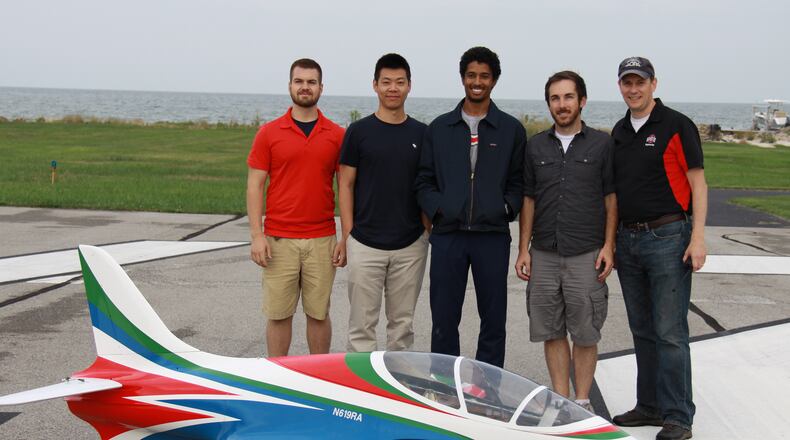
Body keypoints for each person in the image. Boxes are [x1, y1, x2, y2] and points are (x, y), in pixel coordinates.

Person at [610, 57, 707, 440]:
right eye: (627, 82)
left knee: (669, 331)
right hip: (628, 240)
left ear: (654, 83)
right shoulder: (619, 131)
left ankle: (678, 415)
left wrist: (698, 237)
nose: (633, 89)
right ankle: (649, 405)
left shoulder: (676, 125)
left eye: (640, 82)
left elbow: (698, 183)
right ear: (620, 86)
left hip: (668, 236)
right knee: (642, 329)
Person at [415, 46, 525, 368]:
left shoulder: (511, 130)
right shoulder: (439, 128)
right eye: (472, 75)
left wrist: (505, 208)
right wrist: (439, 209)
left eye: (484, 76)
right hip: (449, 235)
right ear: (463, 78)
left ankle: (488, 386)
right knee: (444, 318)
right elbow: (423, 180)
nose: (477, 82)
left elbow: (519, 182)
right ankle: (445, 383)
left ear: (494, 80)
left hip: (492, 235)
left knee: (493, 319)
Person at [515, 71, 617, 412]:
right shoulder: (535, 146)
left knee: (585, 332)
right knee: (551, 330)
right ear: (549, 104)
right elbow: (529, 199)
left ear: (582, 101)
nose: (562, 104)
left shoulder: (602, 144)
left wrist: (609, 246)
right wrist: (523, 249)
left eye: (568, 97)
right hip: (544, 252)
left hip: (586, 252)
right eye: (555, 98)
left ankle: (582, 401)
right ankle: (560, 401)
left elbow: (611, 198)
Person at [246, 58, 345, 357]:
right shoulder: (269, 133)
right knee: (278, 315)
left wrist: (345, 237)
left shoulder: (337, 135)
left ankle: (319, 376)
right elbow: (254, 185)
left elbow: (347, 188)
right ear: (290, 86)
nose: (305, 87)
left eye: (311, 82)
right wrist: (257, 236)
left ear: (321, 87)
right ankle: (278, 376)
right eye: (299, 81)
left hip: (322, 239)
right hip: (278, 240)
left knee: (319, 314)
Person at [336, 53, 430, 352]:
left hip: (410, 245)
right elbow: (345, 184)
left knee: (402, 329)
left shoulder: (422, 134)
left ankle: (396, 381)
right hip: (365, 242)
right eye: (386, 82)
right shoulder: (358, 132)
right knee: (361, 329)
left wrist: (426, 231)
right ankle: (359, 381)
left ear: (409, 86)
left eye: (399, 82)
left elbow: (429, 185)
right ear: (375, 85)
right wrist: (348, 235)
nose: (393, 88)